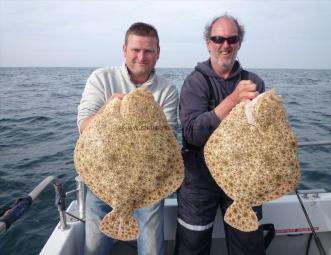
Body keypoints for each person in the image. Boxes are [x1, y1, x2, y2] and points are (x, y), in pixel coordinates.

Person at [77, 22, 179, 255]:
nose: (141, 56)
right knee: (93, 247)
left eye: (148, 51)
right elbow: (84, 127)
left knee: (152, 247)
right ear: (124, 50)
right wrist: (108, 108)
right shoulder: (101, 78)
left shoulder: (167, 89)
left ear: (158, 53)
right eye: (135, 49)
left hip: (147, 182)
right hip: (104, 179)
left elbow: (169, 140)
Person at [174, 14, 266, 255]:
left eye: (231, 39)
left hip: (244, 180)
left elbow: (265, 136)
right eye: (218, 39)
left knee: (248, 247)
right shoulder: (196, 82)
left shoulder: (254, 82)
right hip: (199, 182)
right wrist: (233, 100)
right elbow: (192, 133)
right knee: (191, 248)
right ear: (208, 43)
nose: (225, 45)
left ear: (239, 43)